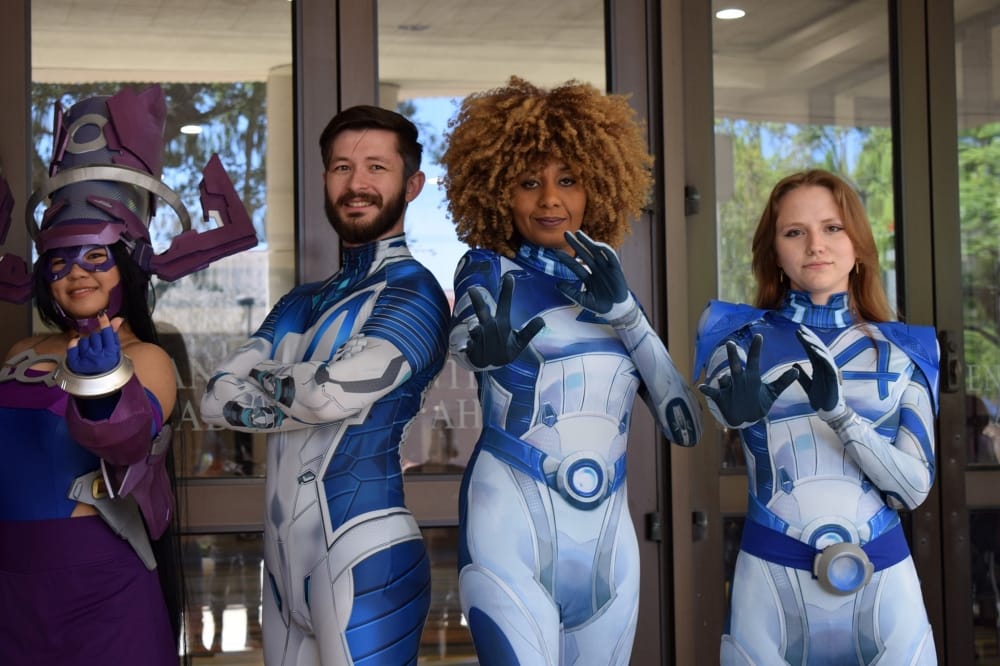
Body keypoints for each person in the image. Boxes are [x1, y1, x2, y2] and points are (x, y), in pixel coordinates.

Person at [441, 76, 702, 665]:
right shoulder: (487, 268)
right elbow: (466, 335)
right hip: (508, 526)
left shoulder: (614, 294)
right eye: (529, 182)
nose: (549, 200)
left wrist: (626, 313)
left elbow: (683, 426)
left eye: (568, 180)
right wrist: (483, 349)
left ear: (599, 187)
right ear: (497, 192)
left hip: (608, 542)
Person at [0, 85, 257, 664]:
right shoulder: (23, 348)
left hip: (96, 586)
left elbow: (124, 442)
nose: (76, 274)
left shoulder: (148, 358)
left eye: (96, 257)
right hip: (11, 581)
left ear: (127, 266)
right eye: (60, 262)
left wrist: (102, 388)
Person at [200, 104, 450, 665]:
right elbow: (214, 398)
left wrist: (264, 378)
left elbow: (323, 396)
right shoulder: (301, 300)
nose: (356, 183)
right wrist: (306, 383)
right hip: (282, 566)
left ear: (412, 185)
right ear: (324, 179)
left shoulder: (415, 293)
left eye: (376, 167)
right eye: (342, 167)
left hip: (366, 553)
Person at [694, 169, 939, 664]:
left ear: (859, 244)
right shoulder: (737, 338)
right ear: (774, 252)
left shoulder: (906, 349)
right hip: (771, 582)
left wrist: (841, 417)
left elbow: (912, 490)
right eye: (794, 232)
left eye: (832, 227)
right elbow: (715, 406)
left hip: (884, 584)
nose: (815, 245)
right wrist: (732, 411)